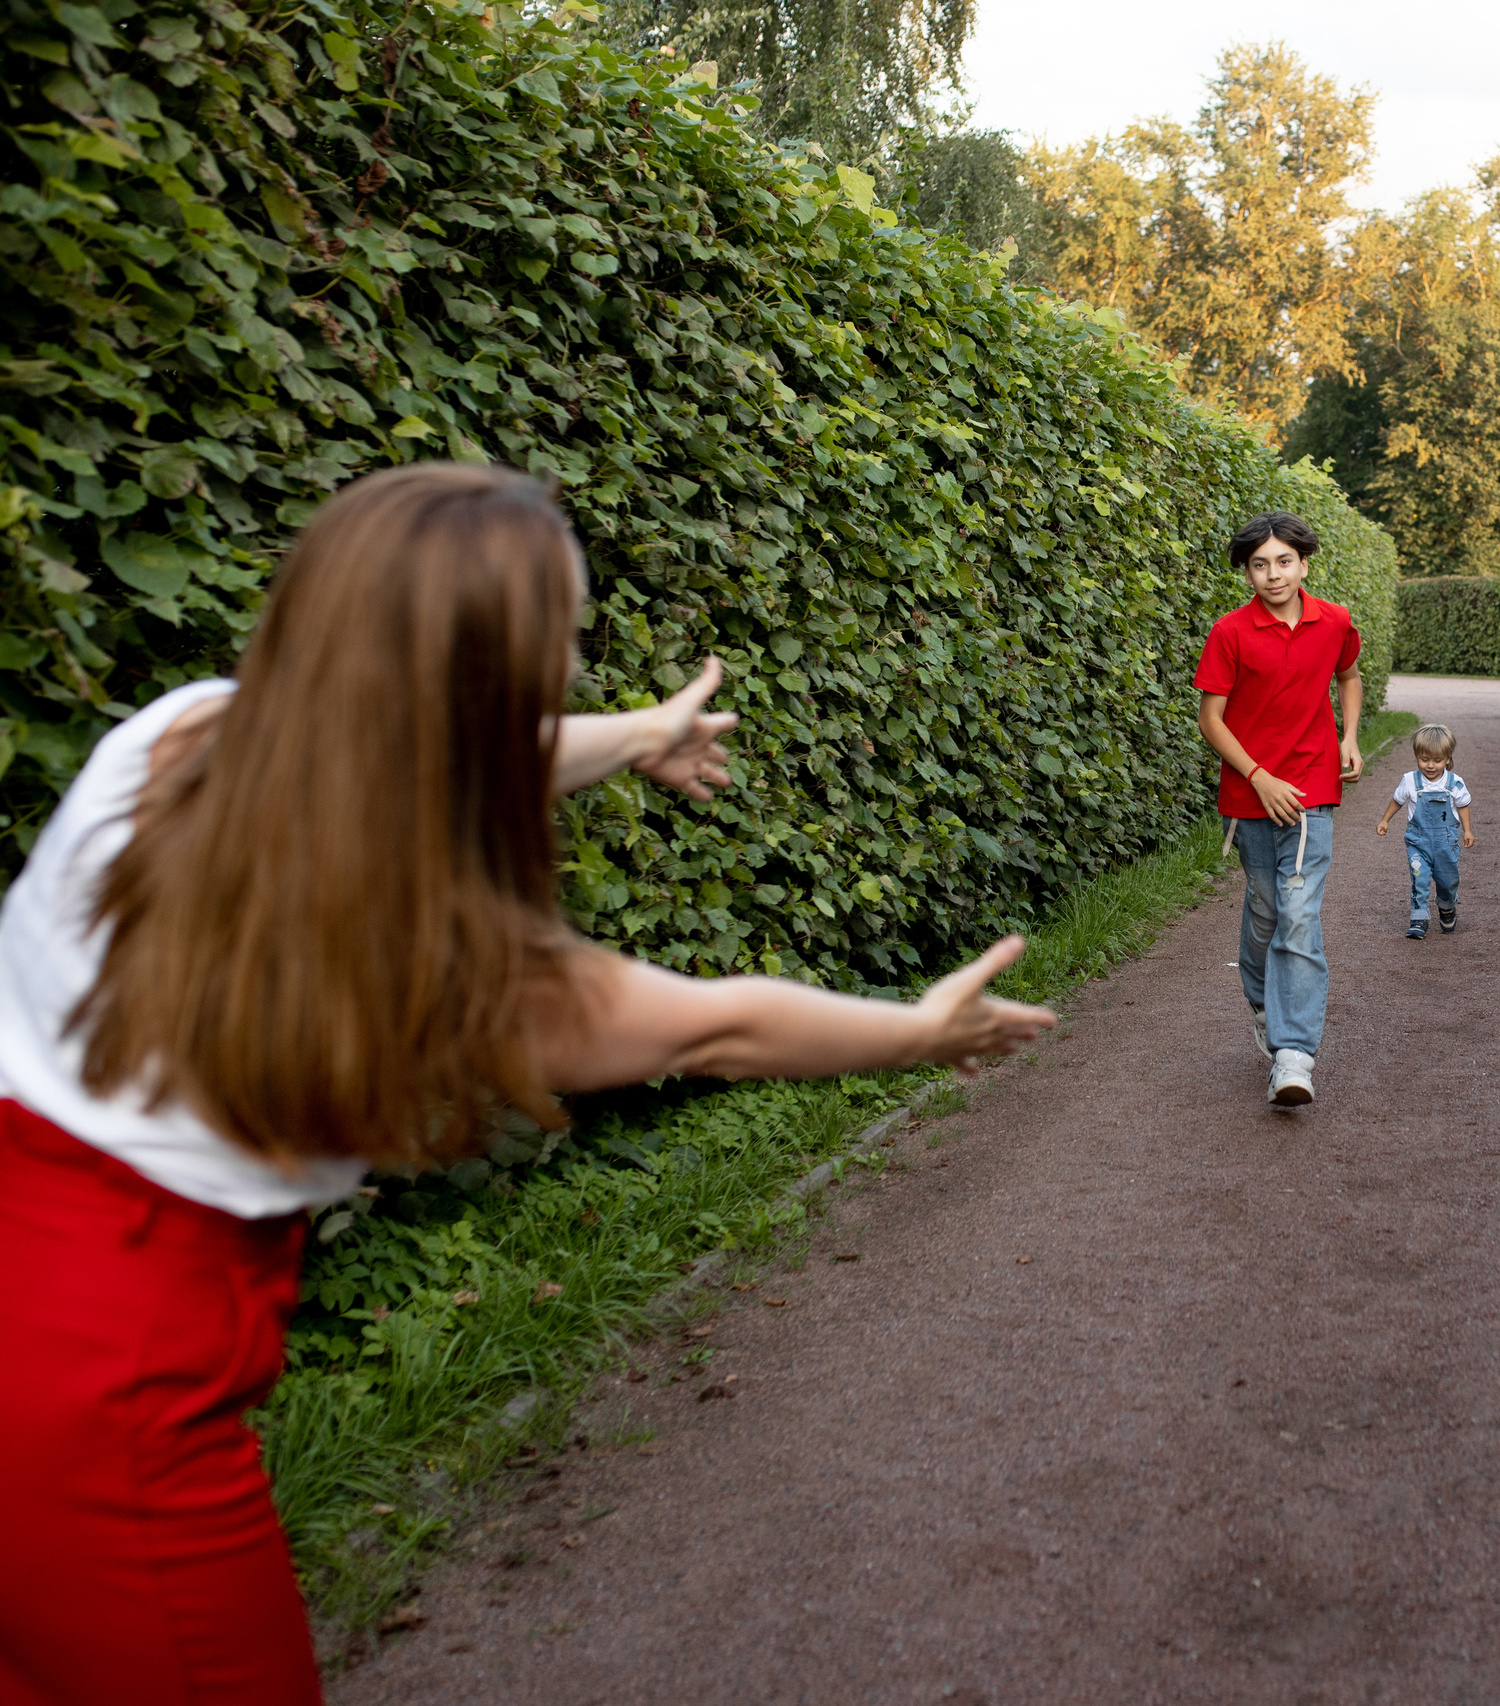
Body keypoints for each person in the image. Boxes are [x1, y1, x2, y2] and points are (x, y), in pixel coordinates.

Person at [0, 463, 1054, 1705]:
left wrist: (646, 732)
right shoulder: (458, 962)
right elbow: (713, 1028)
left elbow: (411, 745)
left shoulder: (177, 736)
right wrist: (914, 1033)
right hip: (100, 1391)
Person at [1193, 512, 1362, 1108]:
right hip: (1248, 794)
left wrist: (1349, 736)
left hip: (1313, 788)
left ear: (1304, 564)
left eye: (1284, 561)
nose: (1273, 574)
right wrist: (1259, 777)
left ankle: (1293, 1056)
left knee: (1296, 912)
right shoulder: (1230, 633)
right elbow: (1211, 719)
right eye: (1259, 565)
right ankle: (1264, 1002)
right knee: (1266, 906)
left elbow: (1348, 674)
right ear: (1247, 573)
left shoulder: (1335, 621)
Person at [1373, 723, 1474, 939]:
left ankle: (1447, 906)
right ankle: (1419, 919)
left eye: (1437, 760)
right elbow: (1397, 800)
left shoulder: (1455, 783)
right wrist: (1385, 820)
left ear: (1447, 759)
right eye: (1424, 759)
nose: (1430, 765)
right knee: (1419, 878)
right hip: (1418, 842)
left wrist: (1467, 831)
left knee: (1447, 881)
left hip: (1446, 844)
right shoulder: (1410, 781)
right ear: (1417, 756)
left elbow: (1463, 806)